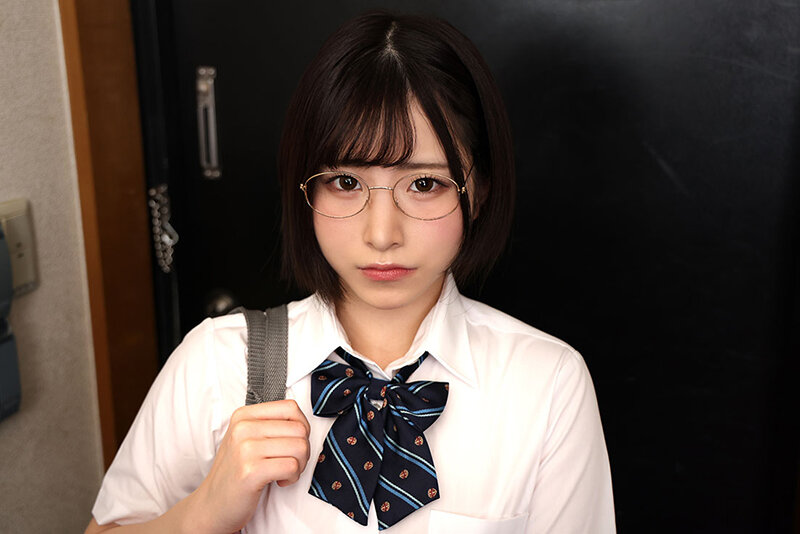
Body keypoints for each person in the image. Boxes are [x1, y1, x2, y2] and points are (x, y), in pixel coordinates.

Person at [86, 11, 615, 534]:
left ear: (477, 191)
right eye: (345, 182)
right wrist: (205, 511)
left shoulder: (546, 382)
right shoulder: (217, 364)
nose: (381, 234)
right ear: (306, 188)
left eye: (424, 184)